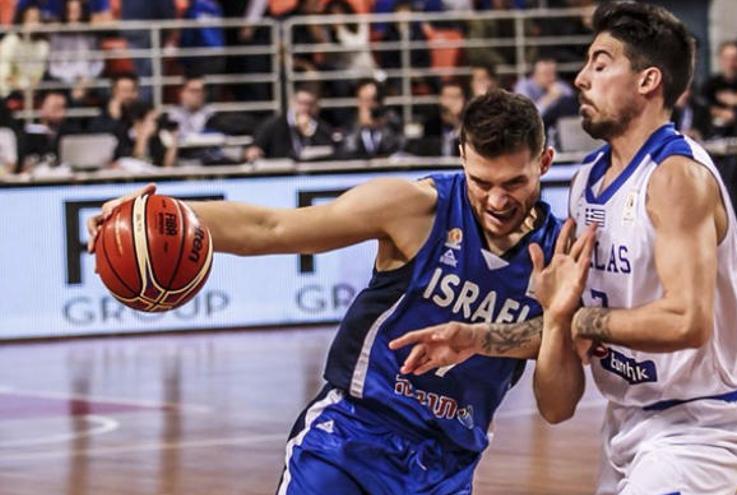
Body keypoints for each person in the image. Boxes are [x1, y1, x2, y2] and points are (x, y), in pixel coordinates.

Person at [87, 89, 562, 494]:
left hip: (447, 462)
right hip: (351, 438)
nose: (498, 201)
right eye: (482, 183)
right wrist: (156, 212)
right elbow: (272, 227)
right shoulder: (413, 207)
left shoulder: (561, 254)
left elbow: (559, 390)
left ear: (545, 161)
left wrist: (518, 332)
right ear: (461, 155)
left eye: (514, 183)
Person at [390, 3, 737, 494]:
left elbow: (686, 321)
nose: (582, 78)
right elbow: (568, 347)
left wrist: (577, 321)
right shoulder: (588, 181)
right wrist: (478, 337)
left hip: (703, 424)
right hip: (628, 419)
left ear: (648, 80)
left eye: (600, 62)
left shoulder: (675, 177)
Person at [244, 85, 340, 162]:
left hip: (313, 176)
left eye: (310, 104)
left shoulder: (321, 127)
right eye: (301, 103)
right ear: (292, 103)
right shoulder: (273, 124)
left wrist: (310, 132)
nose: (305, 108)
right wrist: (254, 151)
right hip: (281, 175)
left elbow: (329, 150)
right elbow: (255, 147)